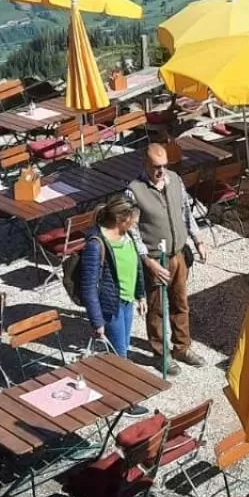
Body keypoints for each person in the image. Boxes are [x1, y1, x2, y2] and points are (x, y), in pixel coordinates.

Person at [126, 142, 207, 368]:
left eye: (164, 165)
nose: (161, 170)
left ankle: (182, 347)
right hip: (155, 259)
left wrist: (198, 240)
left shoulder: (175, 180)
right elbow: (133, 232)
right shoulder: (134, 190)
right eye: (156, 166)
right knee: (157, 309)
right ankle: (161, 354)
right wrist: (148, 262)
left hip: (178, 254)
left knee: (181, 303)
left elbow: (186, 213)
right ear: (146, 163)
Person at [79, 196, 145, 359]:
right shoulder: (96, 245)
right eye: (133, 220)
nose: (135, 224)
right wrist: (97, 321)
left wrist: (141, 295)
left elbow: (136, 266)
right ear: (120, 219)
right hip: (111, 307)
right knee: (119, 355)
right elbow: (88, 287)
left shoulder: (128, 235)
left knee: (124, 347)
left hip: (127, 302)